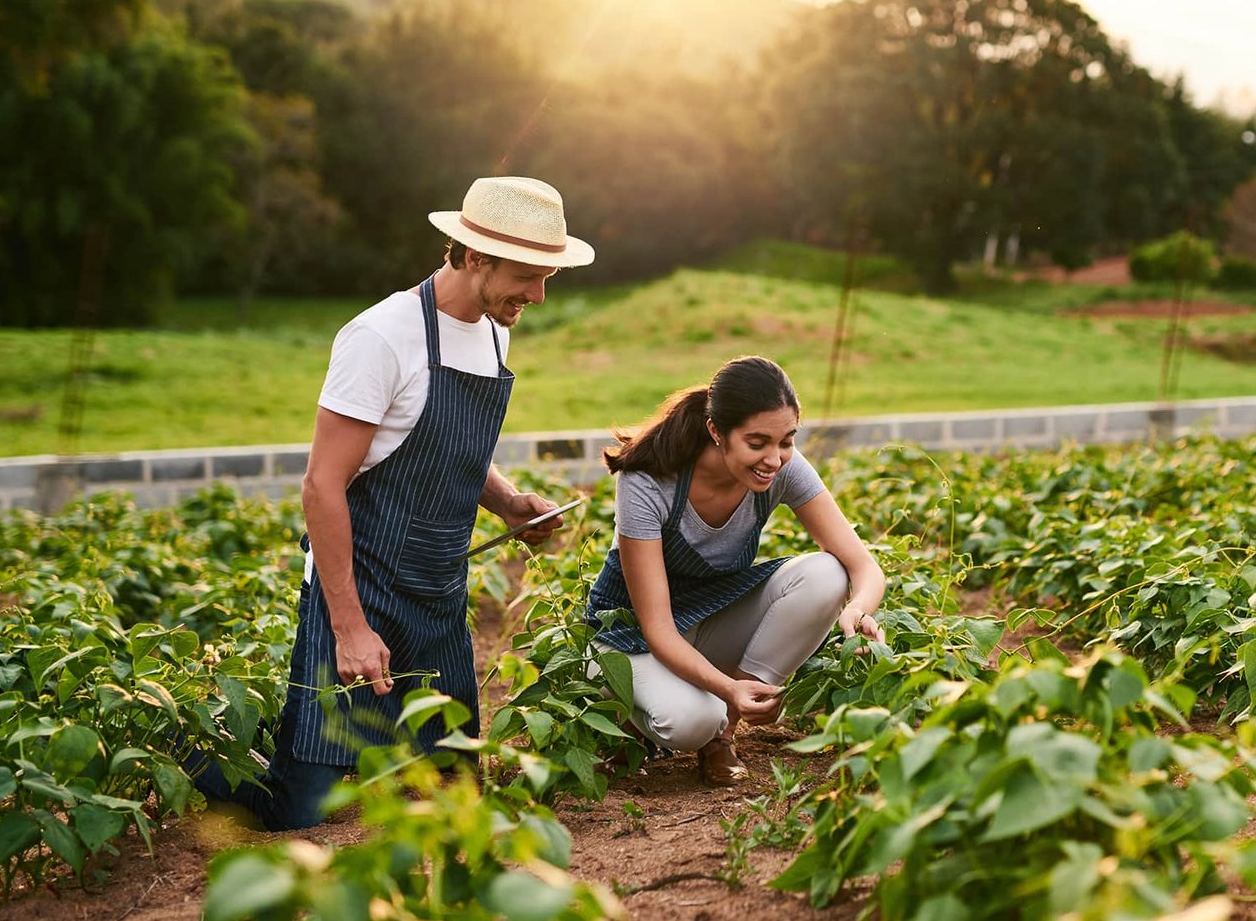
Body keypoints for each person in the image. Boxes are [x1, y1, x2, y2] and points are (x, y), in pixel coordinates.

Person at [193, 175, 595, 830]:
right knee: (297, 810)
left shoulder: (495, 330)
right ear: (472, 256)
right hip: (361, 589)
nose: (539, 294)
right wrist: (351, 627)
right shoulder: (381, 338)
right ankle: (187, 746)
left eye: (546, 275)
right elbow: (322, 484)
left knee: (459, 785)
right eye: (527, 274)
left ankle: (286, 720)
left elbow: (436, 439)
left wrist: (510, 503)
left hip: (437, 594)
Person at [585, 356, 886, 786]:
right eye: (757, 442)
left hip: (707, 622)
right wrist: (726, 688)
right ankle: (632, 720)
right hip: (632, 637)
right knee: (689, 721)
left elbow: (863, 565)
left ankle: (724, 730)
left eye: (787, 441)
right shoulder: (648, 481)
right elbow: (658, 628)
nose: (774, 459)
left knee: (828, 575)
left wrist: (857, 612)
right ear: (716, 431)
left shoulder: (784, 468)